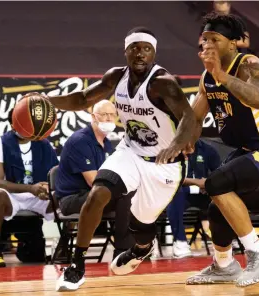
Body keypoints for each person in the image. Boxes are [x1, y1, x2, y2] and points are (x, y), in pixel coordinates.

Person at [48, 27, 196, 291]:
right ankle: (76, 265)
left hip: (164, 164)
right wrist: (48, 100)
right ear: (126, 51)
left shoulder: (163, 82)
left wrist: (176, 144)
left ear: (154, 53)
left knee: (141, 226)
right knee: (98, 193)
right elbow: (83, 98)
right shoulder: (116, 77)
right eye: (135, 48)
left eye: (146, 48)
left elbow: (189, 117)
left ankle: (141, 249)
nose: (140, 53)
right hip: (130, 152)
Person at [186, 13, 259, 287]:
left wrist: (221, 75)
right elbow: (194, 119)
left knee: (216, 182)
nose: (208, 44)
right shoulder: (207, 77)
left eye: (215, 39)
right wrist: (178, 145)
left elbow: (258, 99)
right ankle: (224, 265)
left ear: (233, 43)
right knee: (216, 208)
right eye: (205, 39)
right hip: (247, 151)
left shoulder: (250, 64)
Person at [55, 100, 134, 259]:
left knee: (132, 194)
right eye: (104, 115)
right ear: (93, 116)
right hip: (71, 199)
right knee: (125, 196)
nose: (109, 119)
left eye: (112, 115)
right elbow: (94, 181)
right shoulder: (80, 141)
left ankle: (133, 246)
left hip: (93, 195)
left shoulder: (106, 143)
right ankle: (122, 251)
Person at [0, 110, 58, 267]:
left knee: (66, 194)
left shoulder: (44, 142)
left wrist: (47, 186)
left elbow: (56, 173)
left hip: (39, 195)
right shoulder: (0, 143)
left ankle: (64, 246)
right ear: (13, 124)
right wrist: (30, 188)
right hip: (12, 196)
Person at [166, 138, 221, 258]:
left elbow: (220, 173)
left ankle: (227, 238)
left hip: (204, 193)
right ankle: (180, 242)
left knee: (223, 194)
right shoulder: (170, 150)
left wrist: (209, 183)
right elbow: (168, 178)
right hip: (181, 193)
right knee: (175, 193)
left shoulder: (208, 149)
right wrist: (196, 182)